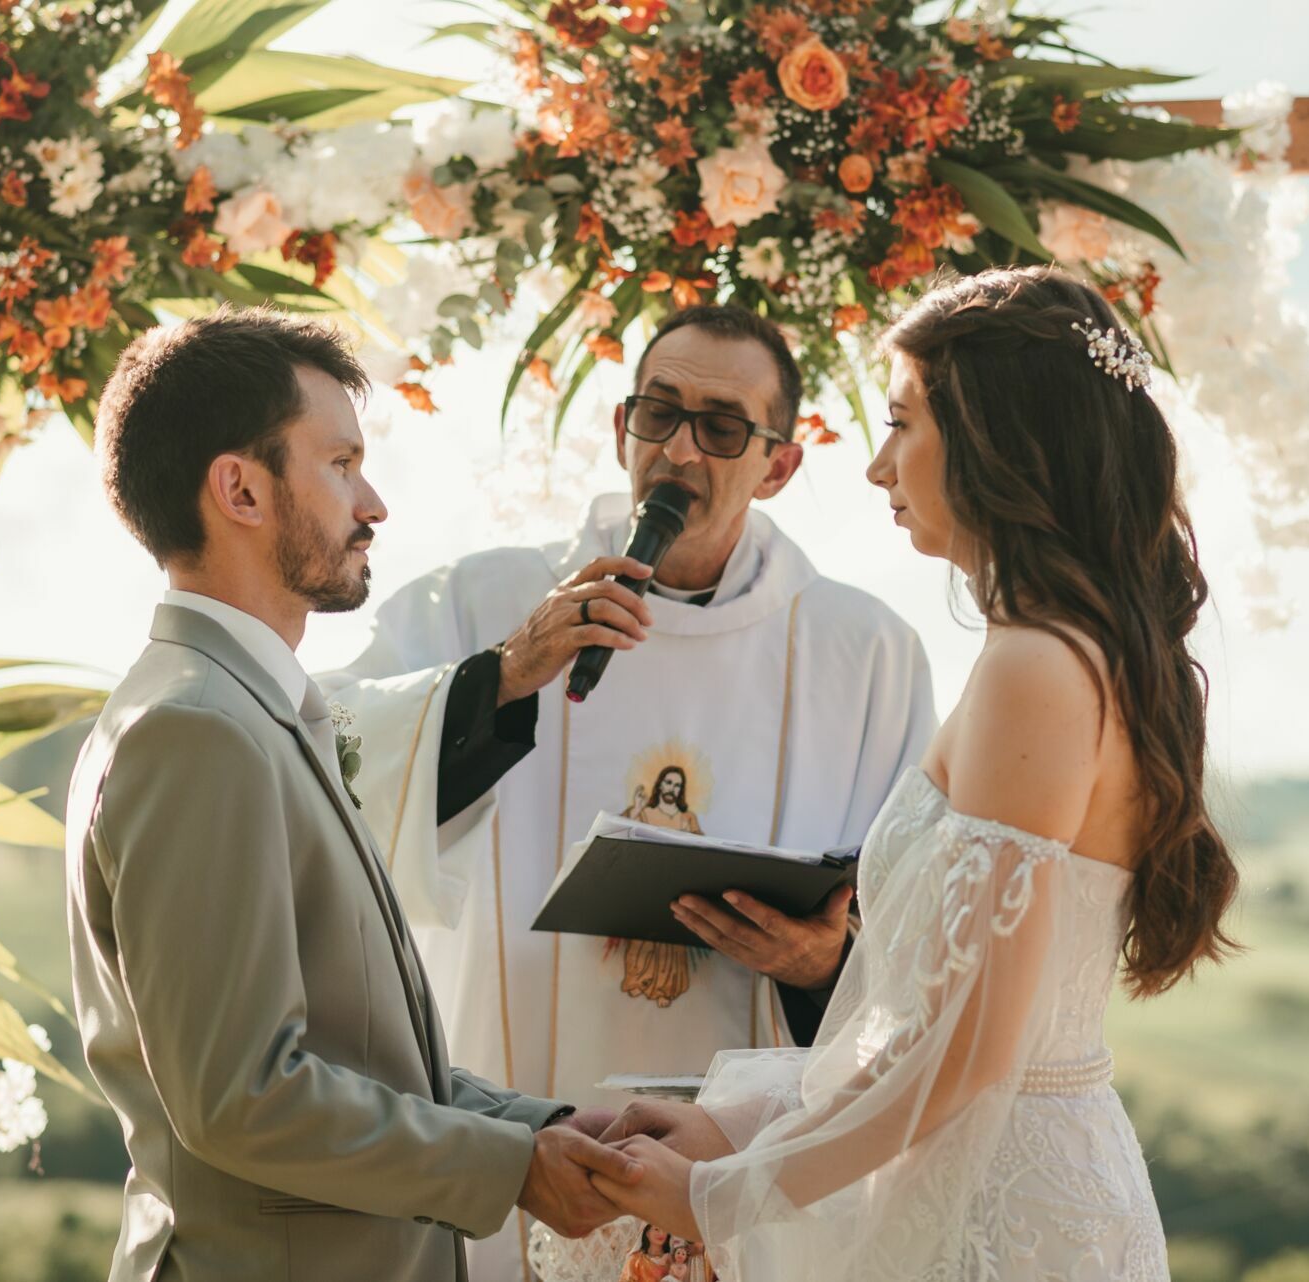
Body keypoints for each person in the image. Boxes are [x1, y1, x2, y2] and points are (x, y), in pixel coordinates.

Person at [586, 267, 1240, 1281]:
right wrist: (743, 1122)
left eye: (901, 424)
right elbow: (932, 1024)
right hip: (988, 1172)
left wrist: (725, 1195)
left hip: (1000, 1209)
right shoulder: (1066, 650)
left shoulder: (1039, 667)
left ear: (993, 440)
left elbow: (974, 1048)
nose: (879, 466)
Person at [326, 305, 936, 1281]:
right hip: (523, 1117)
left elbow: (916, 924)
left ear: (778, 465)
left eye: (722, 426)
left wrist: (827, 963)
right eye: (658, 413)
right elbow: (326, 752)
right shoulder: (485, 602)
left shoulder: (865, 655)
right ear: (622, 430)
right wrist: (496, 680)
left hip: (739, 1159)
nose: (681, 448)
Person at [62, 305, 643, 1282]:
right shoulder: (194, 730)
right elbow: (245, 1097)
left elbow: (360, 1053)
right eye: (340, 464)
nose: (372, 503)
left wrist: (543, 1126)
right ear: (240, 488)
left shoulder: (249, 707)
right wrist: (512, 1166)